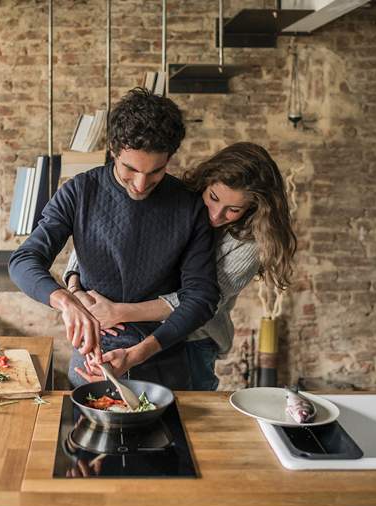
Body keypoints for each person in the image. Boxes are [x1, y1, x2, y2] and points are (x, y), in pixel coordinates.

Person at [8, 88, 220, 390]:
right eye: (130, 169)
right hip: (94, 356)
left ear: (170, 157)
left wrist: (137, 354)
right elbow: (23, 260)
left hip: (163, 353)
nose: (141, 184)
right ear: (113, 149)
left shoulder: (189, 205)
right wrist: (67, 302)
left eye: (156, 171)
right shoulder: (80, 192)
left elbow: (201, 297)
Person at [65, 142, 297, 390]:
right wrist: (74, 288)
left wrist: (118, 312)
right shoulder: (177, 201)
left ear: (253, 209)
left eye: (234, 210)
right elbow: (100, 239)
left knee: (185, 417)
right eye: (213, 198)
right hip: (131, 329)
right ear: (205, 183)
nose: (216, 214)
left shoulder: (249, 246)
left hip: (193, 341)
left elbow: (198, 302)